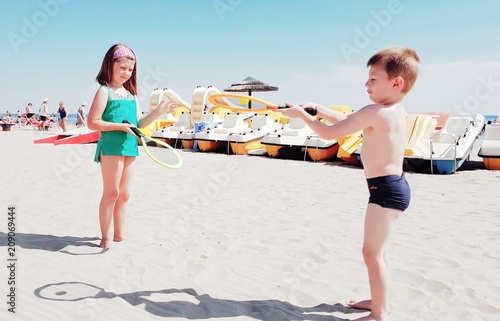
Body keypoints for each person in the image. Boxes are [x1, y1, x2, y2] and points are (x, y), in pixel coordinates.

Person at [282, 46, 419, 321]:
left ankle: (379, 314)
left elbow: (330, 133)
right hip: (394, 187)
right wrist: (320, 109)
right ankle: (379, 301)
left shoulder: (376, 111)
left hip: (386, 190)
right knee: (379, 252)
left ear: (396, 83)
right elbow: (349, 121)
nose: (366, 84)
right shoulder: (391, 109)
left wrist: (305, 117)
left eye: (373, 80)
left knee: (371, 253)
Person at [87, 44, 177, 248]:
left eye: (130, 70)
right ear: (110, 65)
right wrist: (120, 127)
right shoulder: (104, 91)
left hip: (130, 147)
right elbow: (93, 122)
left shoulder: (131, 95)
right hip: (111, 147)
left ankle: (119, 235)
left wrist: (158, 112)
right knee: (112, 193)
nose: (126, 73)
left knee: (125, 194)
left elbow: (139, 124)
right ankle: (105, 238)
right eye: (122, 68)